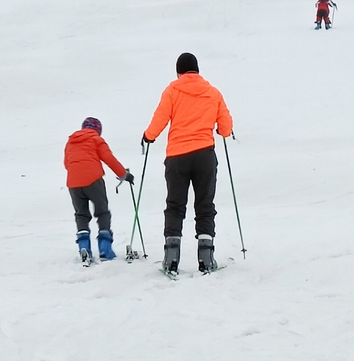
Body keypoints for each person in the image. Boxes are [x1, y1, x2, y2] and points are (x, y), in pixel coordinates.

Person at [142, 52, 233, 276]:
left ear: (178, 72)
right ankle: (206, 258)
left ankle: (171, 259)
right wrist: (221, 130)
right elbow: (225, 128)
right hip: (204, 156)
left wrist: (148, 136)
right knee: (204, 206)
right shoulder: (213, 93)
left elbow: (160, 118)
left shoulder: (173, 90)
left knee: (175, 206)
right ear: (197, 70)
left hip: (177, 156)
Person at [64, 116, 133, 263]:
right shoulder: (96, 139)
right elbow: (109, 158)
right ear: (98, 130)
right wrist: (124, 174)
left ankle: (84, 247)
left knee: (81, 214)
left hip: (73, 182)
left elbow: (67, 163)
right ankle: (105, 249)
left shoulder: (71, 141)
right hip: (93, 180)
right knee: (102, 212)